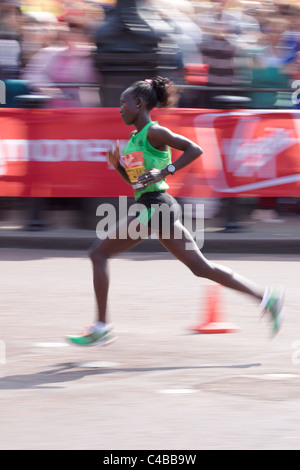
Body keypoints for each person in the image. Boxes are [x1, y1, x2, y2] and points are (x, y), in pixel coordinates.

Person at [66, 76, 284, 346]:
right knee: (201, 268)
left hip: (155, 207)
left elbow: (195, 149)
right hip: (156, 206)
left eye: (123, 103)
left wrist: (165, 170)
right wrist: (119, 166)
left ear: (139, 102)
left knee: (98, 254)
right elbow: (137, 184)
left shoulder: (155, 132)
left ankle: (101, 327)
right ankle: (267, 298)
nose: (119, 108)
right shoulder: (135, 138)